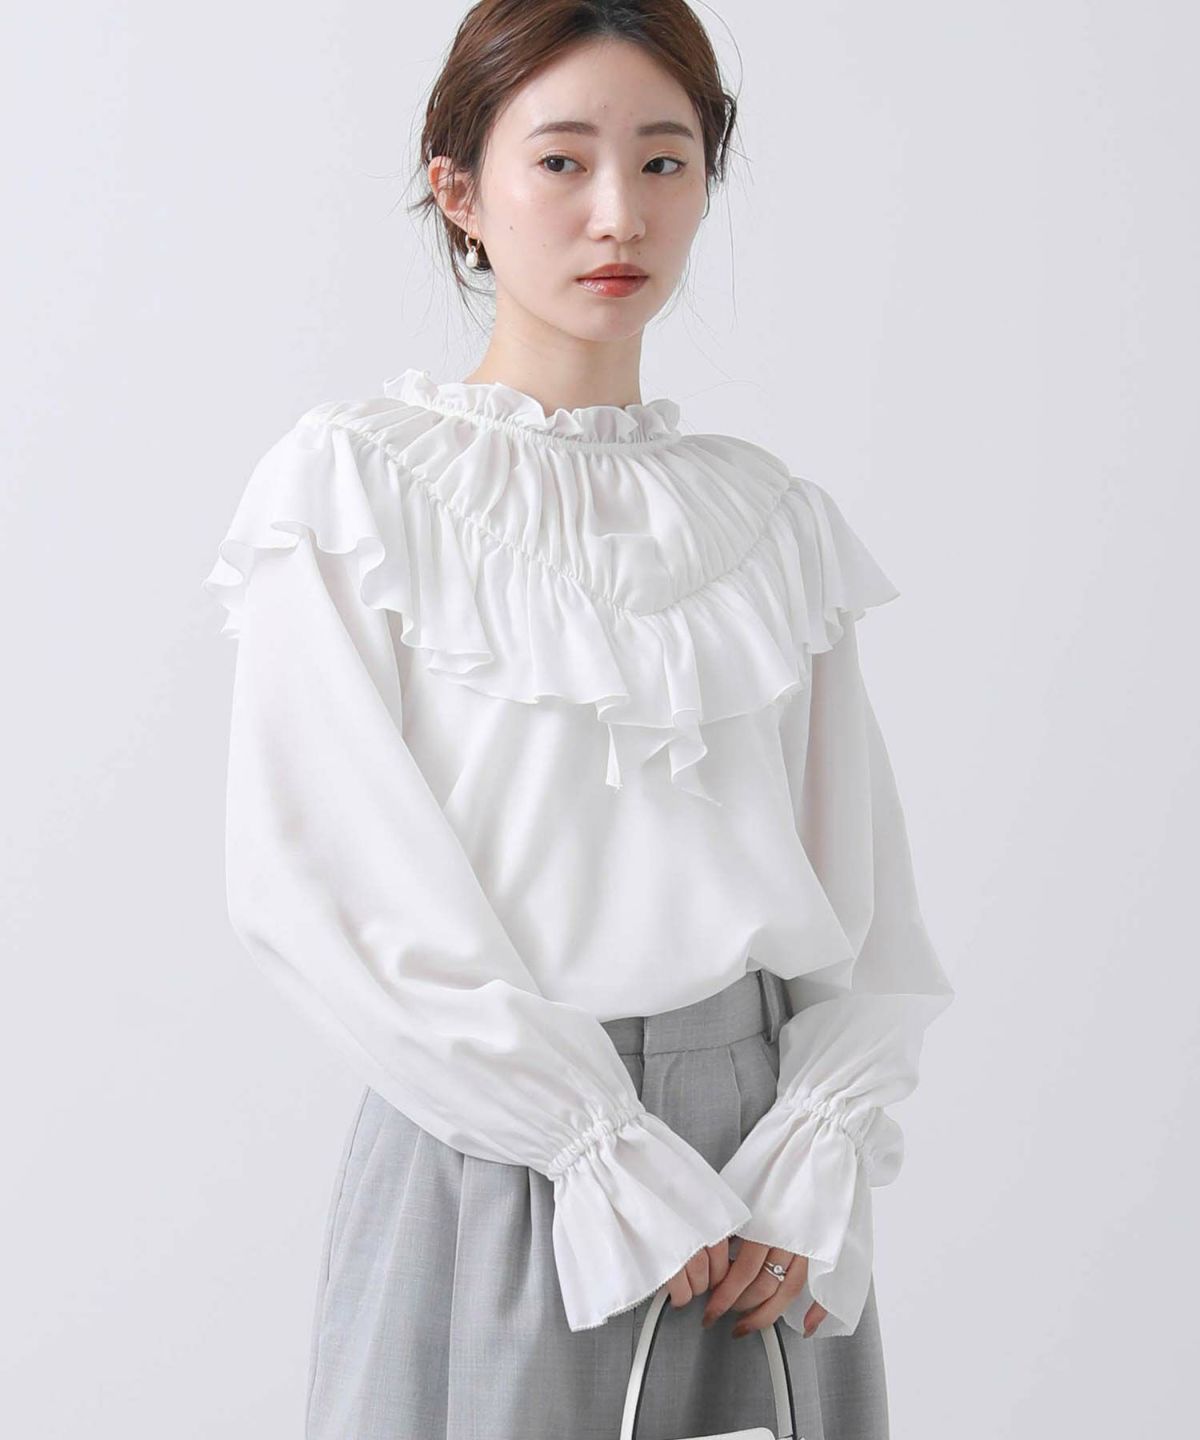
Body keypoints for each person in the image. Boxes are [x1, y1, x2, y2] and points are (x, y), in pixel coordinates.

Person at [201, 3, 955, 1436]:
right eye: (561, 161)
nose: (621, 213)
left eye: (666, 162)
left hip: (769, 1176)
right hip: (504, 1154)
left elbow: (861, 901)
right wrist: (593, 1144)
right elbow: (319, 884)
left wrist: (814, 1147)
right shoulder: (356, 488)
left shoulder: (770, 520)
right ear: (459, 190)